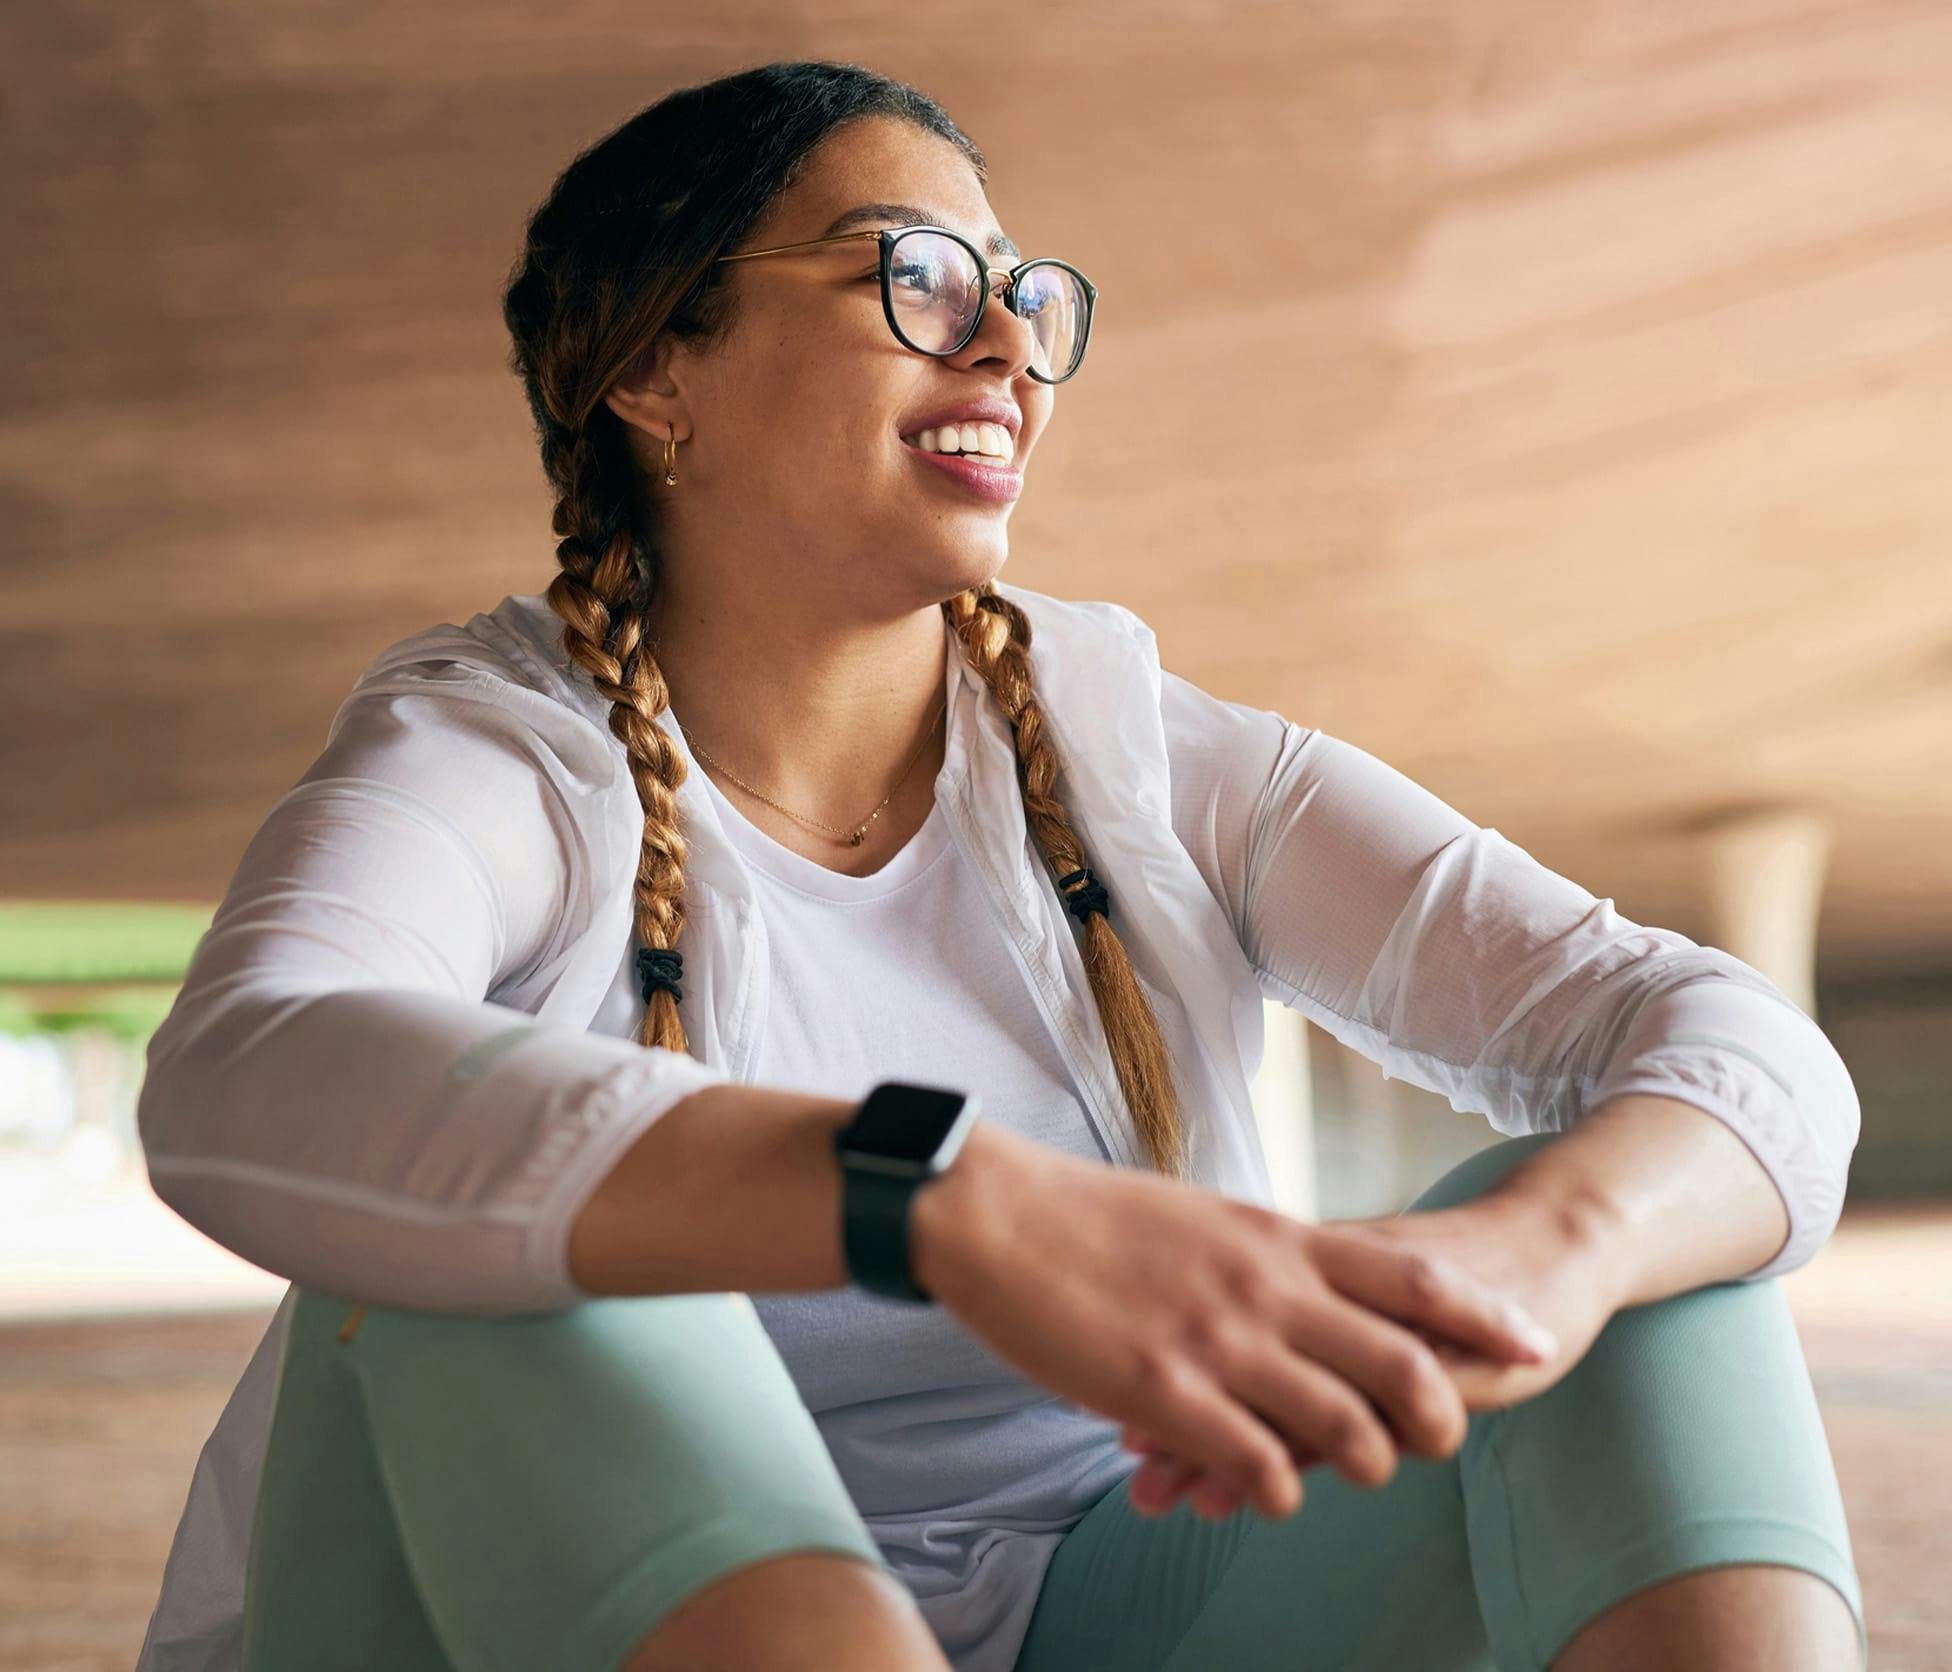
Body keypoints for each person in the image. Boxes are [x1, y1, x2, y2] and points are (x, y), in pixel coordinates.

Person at [134, 58, 1869, 1672]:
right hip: (542, 1605)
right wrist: (944, 1197)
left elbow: (1732, 1042)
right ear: (659, 368)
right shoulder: (501, 750)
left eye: (1024, 301)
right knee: (490, 1256)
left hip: (1126, 1583)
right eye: (917, 283)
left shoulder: (1148, 755)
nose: (1009, 356)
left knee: (1652, 1287)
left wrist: (1542, 1263)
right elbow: (244, 1068)